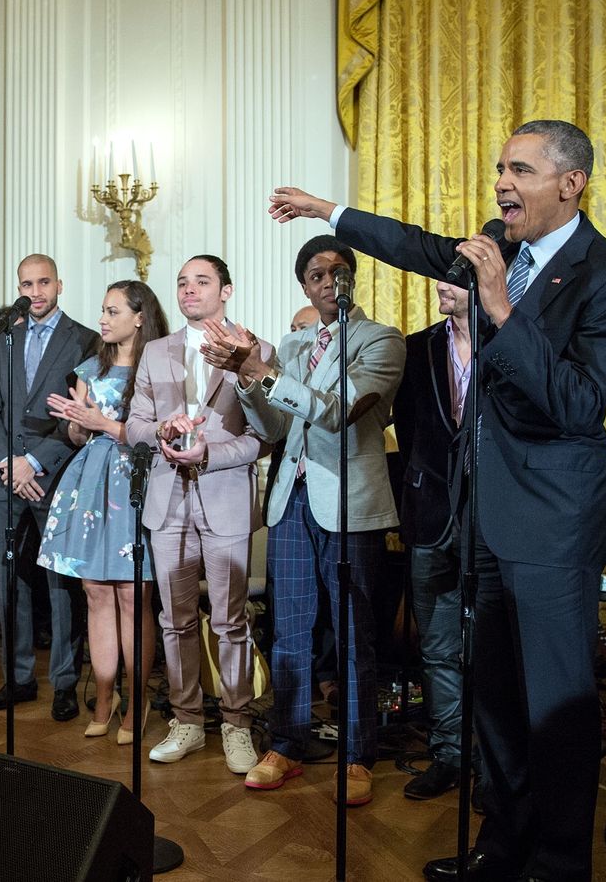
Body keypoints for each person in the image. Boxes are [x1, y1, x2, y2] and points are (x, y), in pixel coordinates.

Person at [269, 118, 606, 881]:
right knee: (498, 702)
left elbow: (579, 404)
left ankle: (557, 862)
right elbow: (416, 245)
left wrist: (502, 313)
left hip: (554, 520)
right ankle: (503, 847)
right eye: (499, 167)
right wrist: (328, 211)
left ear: (571, 183)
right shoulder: (496, 247)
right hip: (482, 517)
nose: (502, 182)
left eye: (521, 169)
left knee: (556, 709)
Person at [205, 237, 404, 802]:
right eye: (316, 275)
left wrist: (259, 369)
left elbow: (337, 412)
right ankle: (286, 743)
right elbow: (270, 428)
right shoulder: (290, 346)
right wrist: (246, 380)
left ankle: (359, 755)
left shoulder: (380, 340)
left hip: (348, 506)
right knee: (288, 631)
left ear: (353, 280)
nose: (328, 282)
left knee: (352, 634)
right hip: (289, 501)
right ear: (305, 287)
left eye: (338, 272)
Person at [124, 254, 271, 776]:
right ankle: (186, 720)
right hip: (167, 498)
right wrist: (161, 430)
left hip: (225, 494)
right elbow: (134, 424)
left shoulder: (257, 349)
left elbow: (263, 436)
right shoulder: (156, 351)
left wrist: (209, 454)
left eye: (202, 281)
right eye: (182, 283)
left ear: (226, 291)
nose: (189, 290)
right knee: (174, 619)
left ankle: (236, 723)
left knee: (231, 620)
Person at [39, 279, 169, 741]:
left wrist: (104, 423)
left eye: (113, 311)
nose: (103, 319)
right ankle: (105, 694)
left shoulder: (161, 366)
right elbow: (78, 437)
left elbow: (159, 436)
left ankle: (139, 698)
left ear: (139, 316)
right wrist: (78, 424)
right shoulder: (89, 367)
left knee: (134, 596)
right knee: (95, 592)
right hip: (91, 484)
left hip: (137, 481)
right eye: (102, 310)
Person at [0, 254, 100, 721]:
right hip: (4, 478)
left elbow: (78, 415)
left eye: (43, 282)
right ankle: (18, 677)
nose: (35, 292)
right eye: (26, 284)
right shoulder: (6, 337)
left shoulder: (85, 340)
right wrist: (8, 462)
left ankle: (64, 682)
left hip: (54, 475)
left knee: (60, 583)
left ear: (60, 284)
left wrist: (33, 462)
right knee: (11, 582)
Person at [390, 275, 475, 801]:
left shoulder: (514, 341)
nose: (443, 287)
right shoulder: (419, 347)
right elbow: (407, 428)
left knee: (492, 651)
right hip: (430, 519)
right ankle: (449, 754)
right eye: (441, 277)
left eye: (457, 279)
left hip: (495, 522)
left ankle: (493, 761)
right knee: (439, 649)